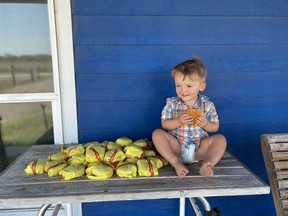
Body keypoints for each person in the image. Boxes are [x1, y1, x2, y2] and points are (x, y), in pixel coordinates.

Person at [152, 56, 227, 178]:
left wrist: (206, 124)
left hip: (199, 149)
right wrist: (178, 121)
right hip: (177, 147)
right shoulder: (172, 103)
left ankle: (207, 165)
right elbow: (164, 124)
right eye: (178, 85)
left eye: (188, 86)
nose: (183, 90)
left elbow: (215, 127)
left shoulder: (207, 105)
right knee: (157, 134)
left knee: (220, 139)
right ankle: (175, 163)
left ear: (201, 87)